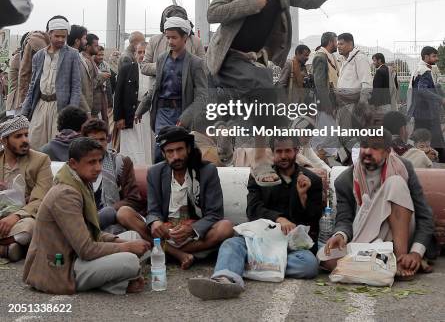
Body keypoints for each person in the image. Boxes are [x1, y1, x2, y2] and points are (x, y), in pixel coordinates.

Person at [206, 0, 336, 185]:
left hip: (257, 60)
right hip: (229, 58)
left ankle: (277, 149)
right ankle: (260, 158)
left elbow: (308, 0)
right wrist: (249, 4)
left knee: (270, 102)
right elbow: (213, 13)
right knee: (264, 89)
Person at [188, 135, 322, 300]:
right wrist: (279, 218)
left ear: (296, 151)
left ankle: (248, 265)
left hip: (291, 245)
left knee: (309, 265)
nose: (284, 156)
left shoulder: (312, 180)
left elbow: (313, 220)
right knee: (231, 244)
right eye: (279, 151)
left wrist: (303, 197)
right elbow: (253, 210)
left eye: (288, 151)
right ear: (272, 152)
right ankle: (224, 279)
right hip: (262, 239)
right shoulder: (259, 175)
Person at [23, 137, 150, 294]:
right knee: (130, 260)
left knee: (134, 237)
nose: (98, 168)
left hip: (78, 256)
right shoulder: (66, 194)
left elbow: (91, 232)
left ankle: (116, 279)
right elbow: (86, 250)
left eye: (99, 161)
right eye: (91, 162)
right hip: (62, 266)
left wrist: (121, 241)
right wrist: (126, 247)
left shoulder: (81, 183)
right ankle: (117, 283)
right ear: (73, 163)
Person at [322, 130, 435, 279]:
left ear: (387, 151)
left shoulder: (403, 168)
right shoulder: (345, 180)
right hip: (367, 235)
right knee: (326, 258)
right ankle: (387, 264)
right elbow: (345, 219)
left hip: (402, 233)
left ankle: (401, 259)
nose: (368, 152)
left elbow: (425, 216)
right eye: (364, 146)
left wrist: (415, 253)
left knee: (395, 183)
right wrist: (340, 235)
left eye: (375, 147)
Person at [146, 126, 233, 270]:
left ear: (188, 149)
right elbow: (152, 210)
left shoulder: (207, 171)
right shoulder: (155, 173)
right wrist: (155, 222)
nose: (176, 156)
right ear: (163, 153)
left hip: (194, 234)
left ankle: (170, 252)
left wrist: (192, 229)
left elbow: (215, 214)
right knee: (125, 213)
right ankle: (178, 254)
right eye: (170, 151)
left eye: (179, 149)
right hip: (166, 233)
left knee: (226, 227)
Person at [137, 18, 207, 158]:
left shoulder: (195, 63)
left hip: (182, 114)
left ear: (185, 37)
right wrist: (141, 109)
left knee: (180, 156)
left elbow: (203, 96)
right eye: (168, 37)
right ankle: (159, 179)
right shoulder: (162, 59)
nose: (170, 41)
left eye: (174, 37)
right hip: (161, 113)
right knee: (160, 152)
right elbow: (156, 87)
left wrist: (187, 116)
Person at [81, 119, 149, 240]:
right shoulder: (78, 167)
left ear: (108, 140)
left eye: (102, 139)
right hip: (85, 223)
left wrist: (109, 211)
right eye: (93, 140)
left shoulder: (121, 163)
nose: (98, 144)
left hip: (116, 220)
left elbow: (134, 200)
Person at [21, 16, 81, 150]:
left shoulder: (73, 54)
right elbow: (33, 86)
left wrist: (70, 115)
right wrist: (24, 112)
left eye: (63, 36)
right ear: (49, 34)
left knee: (58, 146)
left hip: (60, 107)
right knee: (34, 144)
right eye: (57, 36)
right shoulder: (39, 56)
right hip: (40, 106)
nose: (60, 39)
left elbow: (76, 87)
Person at [0, 116, 52, 261]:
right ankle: (6, 248)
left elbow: (41, 199)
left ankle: (8, 246)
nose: (25, 140)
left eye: (26, 135)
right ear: (4, 140)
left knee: (27, 230)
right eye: (18, 136)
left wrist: (16, 216)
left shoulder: (41, 160)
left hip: (24, 218)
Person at [140, 5, 205, 87]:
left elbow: (204, 69)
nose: (170, 41)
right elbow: (144, 67)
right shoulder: (154, 40)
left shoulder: (196, 42)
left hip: (187, 93)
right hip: (159, 92)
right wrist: (163, 66)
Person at [114, 41, 152, 165]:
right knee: (130, 148)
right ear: (135, 54)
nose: (142, 55)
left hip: (149, 115)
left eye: (145, 52)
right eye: (139, 52)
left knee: (148, 146)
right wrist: (119, 117)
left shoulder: (155, 70)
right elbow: (118, 94)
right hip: (130, 115)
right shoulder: (126, 70)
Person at [408, 46, 445, 162]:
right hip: (426, 113)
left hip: (420, 112)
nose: (436, 59)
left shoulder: (420, 69)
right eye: (434, 56)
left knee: (420, 140)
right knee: (436, 140)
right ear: (426, 57)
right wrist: (441, 99)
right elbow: (422, 90)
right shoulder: (424, 71)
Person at [78, 33, 100, 119]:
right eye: (95, 45)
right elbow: (89, 84)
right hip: (88, 109)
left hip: (93, 109)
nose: (98, 48)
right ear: (87, 46)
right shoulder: (85, 61)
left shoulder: (91, 60)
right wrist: (102, 77)